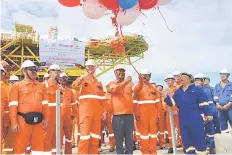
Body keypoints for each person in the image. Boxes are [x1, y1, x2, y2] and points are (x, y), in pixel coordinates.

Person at [164, 72, 212, 154]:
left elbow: (204, 103)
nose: (181, 78)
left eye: (184, 76)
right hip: (183, 118)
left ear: (190, 79)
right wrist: (166, 97)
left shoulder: (197, 90)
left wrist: (209, 114)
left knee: (198, 137)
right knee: (186, 139)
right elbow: (172, 103)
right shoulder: (178, 92)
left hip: (195, 117)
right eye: (180, 76)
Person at [9, 60, 49, 155]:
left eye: (35, 69)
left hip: (38, 121)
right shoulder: (17, 86)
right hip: (22, 121)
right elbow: (13, 106)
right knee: (20, 146)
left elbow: (45, 104)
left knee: (38, 147)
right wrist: (14, 123)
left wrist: (46, 119)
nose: (34, 71)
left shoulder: (41, 86)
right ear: (24, 71)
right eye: (31, 69)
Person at [72, 59, 106, 154]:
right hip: (85, 113)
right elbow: (74, 86)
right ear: (86, 69)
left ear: (94, 69)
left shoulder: (98, 82)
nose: (91, 68)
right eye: (89, 67)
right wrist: (82, 77)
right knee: (85, 137)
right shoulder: (82, 81)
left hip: (96, 114)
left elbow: (103, 99)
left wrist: (104, 111)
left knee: (95, 137)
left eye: (92, 67)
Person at [107, 65, 134, 154]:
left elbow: (137, 91)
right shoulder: (112, 83)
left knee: (129, 138)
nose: (121, 73)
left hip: (129, 115)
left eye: (123, 71)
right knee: (118, 139)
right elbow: (114, 90)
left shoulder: (131, 84)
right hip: (117, 116)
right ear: (115, 73)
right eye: (119, 71)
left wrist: (142, 81)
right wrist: (126, 81)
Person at [133, 69, 161, 154]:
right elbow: (134, 101)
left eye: (146, 75)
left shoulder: (154, 88)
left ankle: (153, 151)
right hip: (142, 113)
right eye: (143, 75)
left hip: (153, 114)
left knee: (153, 133)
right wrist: (136, 114)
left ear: (150, 76)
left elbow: (157, 103)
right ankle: (145, 151)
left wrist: (158, 114)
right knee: (144, 134)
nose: (145, 77)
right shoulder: (137, 86)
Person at [43, 64, 64, 155]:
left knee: (57, 139)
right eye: (56, 72)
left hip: (58, 118)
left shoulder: (59, 87)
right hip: (46, 118)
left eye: (59, 72)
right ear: (50, 72)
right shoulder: (43, 86)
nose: (57, 74)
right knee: (45, 139)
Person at [195, 74, 216, 154]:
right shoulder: (193, 90)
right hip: (198, 114)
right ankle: (202, 147)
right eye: (196, 80)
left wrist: (209, 114)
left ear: (202, 82)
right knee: (200, 131)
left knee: (210, 130)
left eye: (199, 80)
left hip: (207, 113)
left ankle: (210, 146)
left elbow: (210, 103)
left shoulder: (207, 90)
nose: (197, 82)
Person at [162, 74, 182, 154]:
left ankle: (183, 145)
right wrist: (168, 110)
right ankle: (171, 146)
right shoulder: (164, 91)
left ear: (174, 81)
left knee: (180, 129)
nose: (169, 81)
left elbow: (180, 101)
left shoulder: (178, 89)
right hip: (169, 113)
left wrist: (176, 110)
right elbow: (163, 102)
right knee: (170, 130)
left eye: (171, 80)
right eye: (167, 80)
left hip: (178, 113)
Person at [60, 72, 78, 154]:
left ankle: (68, 152)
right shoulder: (56, 89)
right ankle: (58, 152)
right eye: (62, 78)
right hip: (58, 116)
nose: (64, 80)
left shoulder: (70, 91)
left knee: (68, 136)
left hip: (68, 117)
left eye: (65, 78)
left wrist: (74, 114)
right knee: (59, 136)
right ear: (59, 79)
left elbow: (74, 104)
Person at [214, 68, 232, 133]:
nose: (222, 76)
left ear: (228, 76)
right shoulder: (217, 85)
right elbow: (215, 96)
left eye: (224, 74)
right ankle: (225, 139)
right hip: (220, 108)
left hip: (230, 108)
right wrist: (217, 104)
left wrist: (228, 104)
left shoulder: (231, 85)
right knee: (222, 123)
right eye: (221, 74)